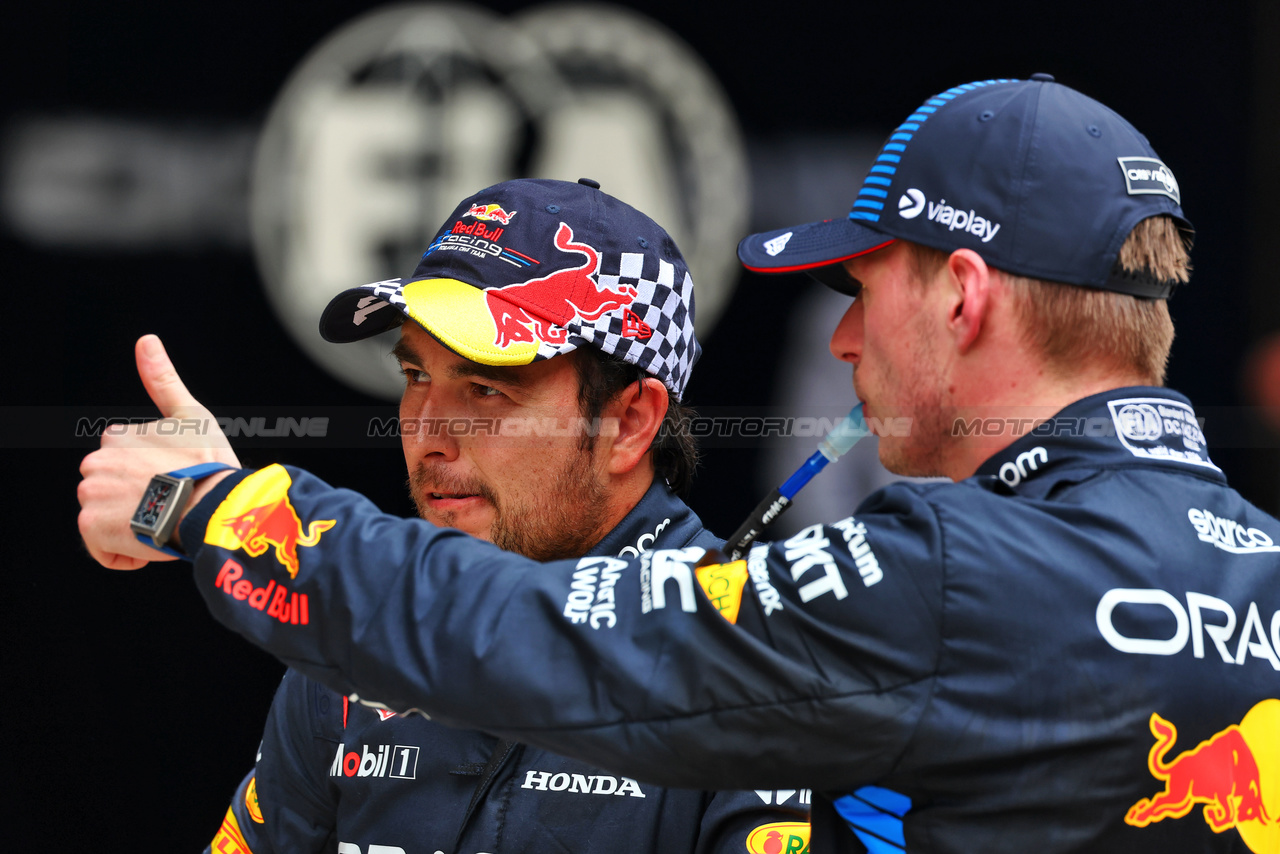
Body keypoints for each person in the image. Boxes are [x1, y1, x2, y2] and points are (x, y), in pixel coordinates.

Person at [79, 77, 1279, 854]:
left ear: (959, 295)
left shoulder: (949, 575)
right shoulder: (1259, 571)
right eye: (413, 377)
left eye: (857, 289)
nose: (844, 338)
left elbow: (550, 639)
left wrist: (217, 505)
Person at [173, 178, 804, 853]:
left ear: (628, 423)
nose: (428, 435)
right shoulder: (357, 638)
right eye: (416, 377)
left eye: (485, 388)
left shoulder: (756, 667)